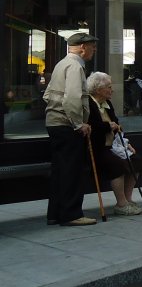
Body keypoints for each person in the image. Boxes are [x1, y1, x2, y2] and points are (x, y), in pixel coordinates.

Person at [43, 32, 99, 226]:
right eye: (92, 46)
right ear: (82, 47)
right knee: (72, 171)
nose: (94, 50)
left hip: (55, 123)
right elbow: (72, 99)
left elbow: (48, 94)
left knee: (60, 170)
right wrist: (79, 123)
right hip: (67, 125)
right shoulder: (75, 66)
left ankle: (55, 214)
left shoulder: (61, 64)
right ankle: (71, 214)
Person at [85, 71, 142, 216]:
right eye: (109, 87)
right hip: (97, 147)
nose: (112, 90)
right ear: (98, 89)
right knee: (117, 164)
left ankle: (128, 199)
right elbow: (93, 127)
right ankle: (121, 204)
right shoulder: (89, 104)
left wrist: (125, 142)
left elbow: (116, 123)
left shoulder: (107, 103)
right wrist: (108, 126)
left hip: (113, 145)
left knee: (135, 160)